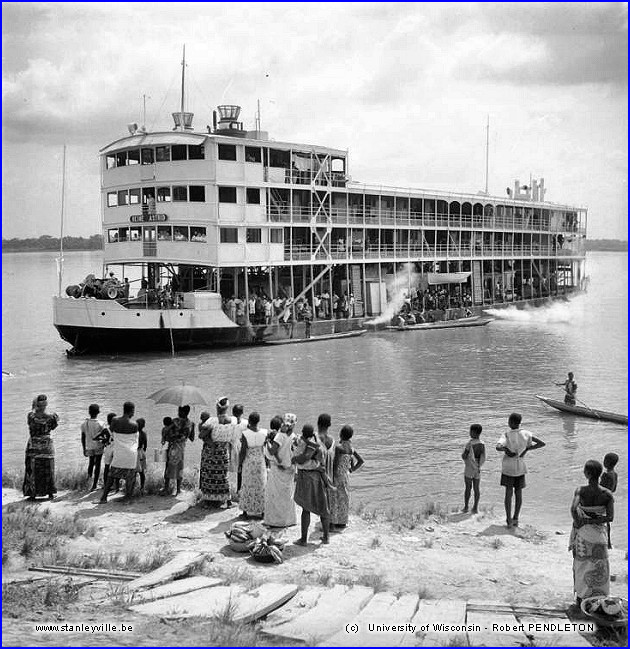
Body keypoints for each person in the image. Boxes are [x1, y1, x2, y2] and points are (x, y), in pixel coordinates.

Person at [569, 460, 614, 607]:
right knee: (600, 566)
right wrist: (594, 520)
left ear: (586, 473)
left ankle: (581, 597)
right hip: (600, 536)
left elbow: (573, 509)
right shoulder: (607, 494)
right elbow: (610, 517)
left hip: (583, 535)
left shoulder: (580, 490)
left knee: (582, 565)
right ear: (600, 474)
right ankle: (599, 597)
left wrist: (579, 523)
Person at [496, 412, 545, 528]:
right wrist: (527, 449)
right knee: (518, 493)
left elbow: (498, 447)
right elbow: (541, 443)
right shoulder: (527, 434)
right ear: (519, 423)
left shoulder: (506, 434)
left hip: (508, 468)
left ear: (511, 422)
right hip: (520, 467)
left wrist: (506, 451)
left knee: (508, 493)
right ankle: (516, 518)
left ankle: (508, 519)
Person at [292, 423, 331, 545]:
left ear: (303, 433)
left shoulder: (304, 444)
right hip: (318, 477)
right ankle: (326, 537)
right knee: (323, 507)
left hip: (307, 477)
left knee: (306, 508)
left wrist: (295, 459)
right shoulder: (317, 442)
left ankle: (303, 539)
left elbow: (302, 459)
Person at [99, 401, 138, 503]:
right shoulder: (135, 424)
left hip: (119, 453)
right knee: (130, 477)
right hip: (131, 455)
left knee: (111, 475)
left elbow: (110, 432)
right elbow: (134, 439)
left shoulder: (115, 420)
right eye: (133, 411)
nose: (134, 413)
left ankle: (104, 498)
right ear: (131, 411)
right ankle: (128, 498)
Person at [23, 395, 59, 501]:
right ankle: (50, 493)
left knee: (32, 469)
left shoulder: (31, 416)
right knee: (48, 468)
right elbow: (53, 427)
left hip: (33, 444)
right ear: (46, 404)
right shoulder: (52, 417)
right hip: (47, 445)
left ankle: (32, 493)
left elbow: (30, 424)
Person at [199, 397, 233, 507]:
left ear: (217, 407)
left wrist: (208, 439)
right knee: (223, 475)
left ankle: (208, 500)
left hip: (211, 452)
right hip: (223, 451)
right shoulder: (231, 421)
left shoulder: (212, 421)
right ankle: (227, 500)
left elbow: (201, 435)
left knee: (209, 474)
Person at [264, 414, 297, 528]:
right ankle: (288, 520)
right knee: (287, 495)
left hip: (278, 469)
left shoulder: (280, 436)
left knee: (275, 494)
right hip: (289, 469)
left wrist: (268, 442)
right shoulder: (294, 437)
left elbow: (272, 452)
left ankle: (275, 521)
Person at [329, 425, 364, 531]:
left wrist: (332, 476)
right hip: (345, 476)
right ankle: (342, 522)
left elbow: (335, 463)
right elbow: (361, 461)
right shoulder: (351, 449)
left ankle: (332, 523)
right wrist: (351, 470)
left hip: (337, 475)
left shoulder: (339, 448)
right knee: (344, 498)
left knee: (334, 498)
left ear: (341, 435)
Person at [238, 412, 268, 518]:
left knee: (247, 484)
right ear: (258, 421)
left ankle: (246, 511)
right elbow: (265, 449)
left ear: (249, 422)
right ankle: (262, 510)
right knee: (261, 485)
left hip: (249, 461)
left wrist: (239, 464)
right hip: (260, 461)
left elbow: (243, 451)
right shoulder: (264, 432)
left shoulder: (245, 433)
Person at [162, 406, 194, 496]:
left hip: (172, 447)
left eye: (179, 411)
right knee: (180, 467)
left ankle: (166, 488)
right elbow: (191, 438)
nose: (178, 412)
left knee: (168, 466)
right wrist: (193, 428)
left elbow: (167, 434)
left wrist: (168, 437)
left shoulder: (175, 421)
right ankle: (178, 489)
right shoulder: (190, 423)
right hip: (181, 448)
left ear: (184, 412)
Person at [461, 423, 486, 514]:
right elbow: (482, 456)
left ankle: (466, 507)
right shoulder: (482, 443)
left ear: (474, 432)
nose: (469, 432)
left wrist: (462, 455)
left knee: (468, 487)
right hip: (478, 467)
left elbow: (465, 456)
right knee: (476, 488)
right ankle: (475, 507)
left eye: (470, 431)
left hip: (469, 468)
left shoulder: (469, 443)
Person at [81, 403, 105, 492]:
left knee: (91, 463)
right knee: (98, 464)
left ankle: (89, 482)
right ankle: (95, 485)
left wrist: (84, 449)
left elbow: (83, 437)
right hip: (98, 446)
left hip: (89, 447)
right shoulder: (101, 424)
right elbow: (104, 436)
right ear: (98, 412)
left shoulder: (84, 424)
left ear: (89, 412)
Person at [97, 412, 118, 493]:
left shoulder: (106, 430)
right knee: (115, 467)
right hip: (116, 449)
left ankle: (106, 485)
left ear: (108, 421)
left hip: (108, 448)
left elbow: (97, 437)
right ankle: (116, 486)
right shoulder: (118, 430)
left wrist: (103, 441)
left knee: (106, 467)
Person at [230, 404, 246, 494]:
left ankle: (227, 490)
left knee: (227, 470)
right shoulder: (246, 423)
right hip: (241, 448)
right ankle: (239, 490)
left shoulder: (229, 422)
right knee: (241, 470)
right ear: (242, 413)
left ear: (232, 412)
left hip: (231, 447)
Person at [316, 413, 336, 484]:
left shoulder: (314, 438)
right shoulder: (332, 441)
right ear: (329, 425)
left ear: (318, 423)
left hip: (315, 479)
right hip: (329, 479)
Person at [135, 418, 148, 494]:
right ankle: (142, 487)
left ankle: (133, 486)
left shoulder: (134, 433)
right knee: (141, 472)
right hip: (141, 452)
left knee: (133, 472)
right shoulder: (143, 434)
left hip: (135, 452)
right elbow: (145, 445)